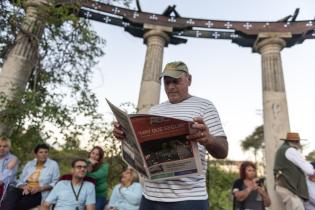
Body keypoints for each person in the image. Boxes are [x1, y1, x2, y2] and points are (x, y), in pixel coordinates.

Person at [113, 61, 228, 210]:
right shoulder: (155, 110)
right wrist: (125, 134)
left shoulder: (204, 106)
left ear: (189, 80)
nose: (171, 87)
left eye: (176, 81)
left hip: (189, 199)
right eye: (167, 83)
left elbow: (223, 151)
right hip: (150, 197)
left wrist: (209, 139)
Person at [0, 143, 60, 210]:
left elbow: (56, 182)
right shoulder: (29, 164)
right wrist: (24, 186)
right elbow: (20, 180)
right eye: (41, 152)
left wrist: (40, 188)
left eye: (46, 152)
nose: (44, 154)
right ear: (36, 154)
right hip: (25, 190)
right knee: (12, 192)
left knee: (19, 204)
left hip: (38, 193)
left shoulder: (53, 164)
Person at [274, 132, 315, 210]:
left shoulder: (284, 149)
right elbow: (309, 170)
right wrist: (313, 171)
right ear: (295, 142)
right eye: (297, 141)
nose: (299, 144)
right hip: (288, 188)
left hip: (286, 187)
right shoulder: (290, 150)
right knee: (297, 207)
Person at [86, 146, 109, 210]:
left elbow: (95, 176)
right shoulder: (85, 162)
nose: (94, 156)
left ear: (100, 157)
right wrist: (89, 164)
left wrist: (85, 173)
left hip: (99, 195)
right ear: (90, 153)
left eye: (97, 155)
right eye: (93, 153)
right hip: (86, 193)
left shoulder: (105, 166)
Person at [0, 136, 18, 204]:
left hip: (6, 188)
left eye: (5, 146)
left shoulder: (13, 159)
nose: (2, 148)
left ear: (9, 148)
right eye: (0, 146)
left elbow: (4, 179)